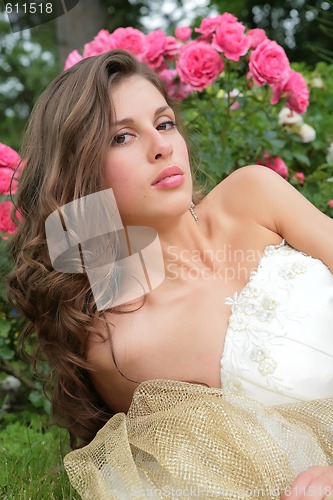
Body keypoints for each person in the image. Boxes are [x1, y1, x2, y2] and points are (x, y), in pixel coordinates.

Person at [6, 50, 333, 499]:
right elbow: (229, 469)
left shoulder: (252, 194)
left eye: (164, 124)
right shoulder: (124, 344)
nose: (161, 146)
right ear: (79, 174)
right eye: (121, 137)